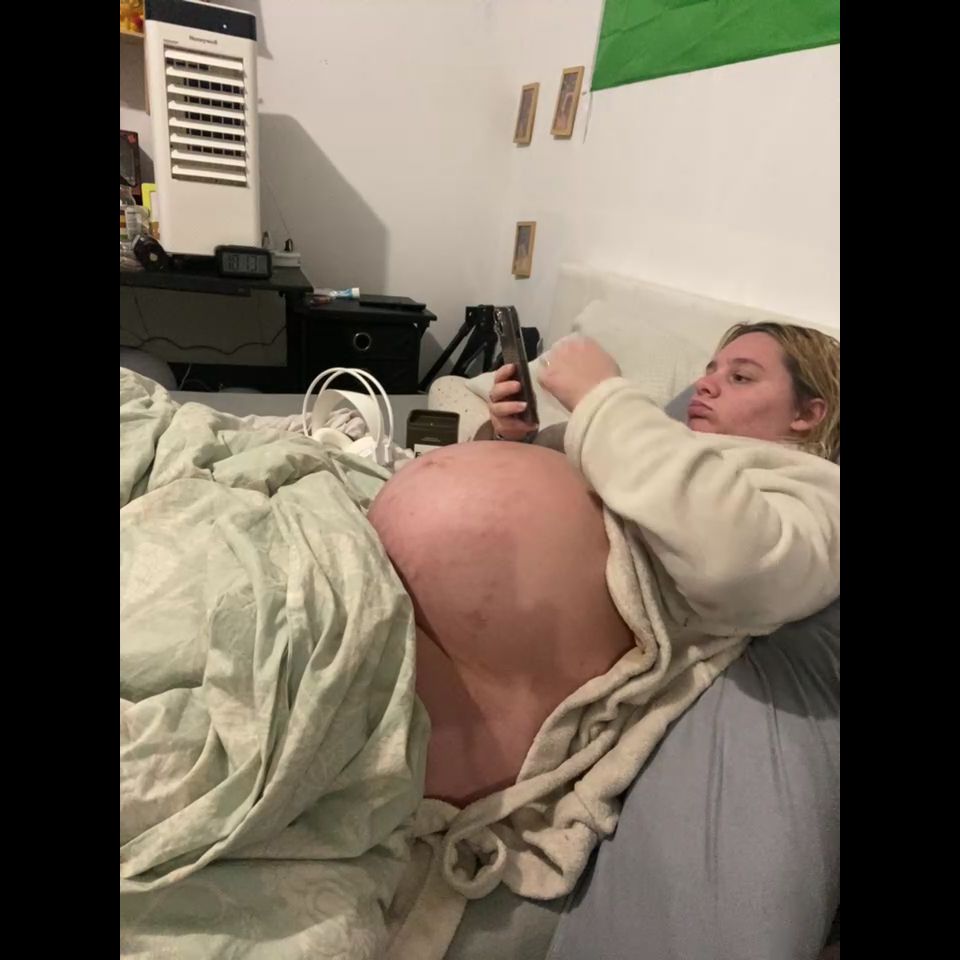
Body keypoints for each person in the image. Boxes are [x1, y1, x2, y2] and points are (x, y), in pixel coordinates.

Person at [367, 321, 840, 805]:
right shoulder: (663, 446)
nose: (705, 384)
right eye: (710, 369)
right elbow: (554, 475)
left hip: (484, 706)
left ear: (807, 413)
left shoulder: (816, 487)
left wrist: (604, 396)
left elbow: (744, 567)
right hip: (407, 603)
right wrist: (514, 438)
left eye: (740, 377)